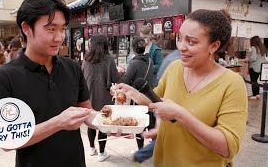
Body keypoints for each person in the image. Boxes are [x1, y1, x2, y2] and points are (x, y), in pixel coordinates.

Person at [111, 9, 248, 166]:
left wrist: (180, 114)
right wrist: (131, 93)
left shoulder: (232, 84)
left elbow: (228, 147)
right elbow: (154, 101)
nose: (181, 47)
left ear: (214, 46)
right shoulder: (175, 68)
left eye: (191, 42)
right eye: (180, 38)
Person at [0, 0, 97, 167]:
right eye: (51, 29)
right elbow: (5, 140)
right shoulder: (3, 77)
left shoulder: (72, 67)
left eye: (62, 29)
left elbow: (87, 112)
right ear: (26, 28)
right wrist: (58, 123)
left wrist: (112, 125)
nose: (59, 37)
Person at [81, 34, 120, 162]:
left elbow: (82, 78)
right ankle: (102, 153)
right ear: (104, 44)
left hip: (89, 97)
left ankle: (91, 148)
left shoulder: (86, 60)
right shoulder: (109, 60)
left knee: (91, 123)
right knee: (103, 125)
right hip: (105, 98)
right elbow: (115, 80)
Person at [120, 36, 155, 150]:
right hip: (149, 97)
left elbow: (126, 81)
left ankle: (141, 149)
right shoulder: (150, 61)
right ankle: (155, 147)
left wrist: (121, 74)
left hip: (138, 99)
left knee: (139, 125)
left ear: (133, 49)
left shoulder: (134, 63)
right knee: (150, 124)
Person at [248, 36, 266, 100]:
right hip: (260, 68)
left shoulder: (253, 48)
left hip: (254, 67)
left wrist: (247, 59)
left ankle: (254, 95)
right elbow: (264, 59)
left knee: (253, 81)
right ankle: (257, 95)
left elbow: (253, 58)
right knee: (255, 81)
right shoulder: (262, 48)